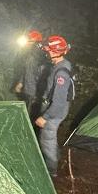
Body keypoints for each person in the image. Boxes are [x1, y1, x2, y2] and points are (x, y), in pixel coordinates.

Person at [35, 35, 74, 177]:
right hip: (55, 109)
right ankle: (55, 160)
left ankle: (50, 171)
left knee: (47, 140)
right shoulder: (62, 64)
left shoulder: (61, 72)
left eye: (49, 50)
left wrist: (45, 117)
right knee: (50, 138)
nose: (47, 52)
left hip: (54, 111)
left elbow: (58, 102)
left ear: (55, 52)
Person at [13, 30, 47, 116]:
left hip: (34, 93)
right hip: (28, 90)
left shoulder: (39, 57)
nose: (26, 44)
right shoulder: (29, 55)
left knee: (30, 115)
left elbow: (41, 76)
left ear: (34, 42)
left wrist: (37, 94)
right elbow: (26, 70)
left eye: (29, 41)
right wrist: (21, 83)